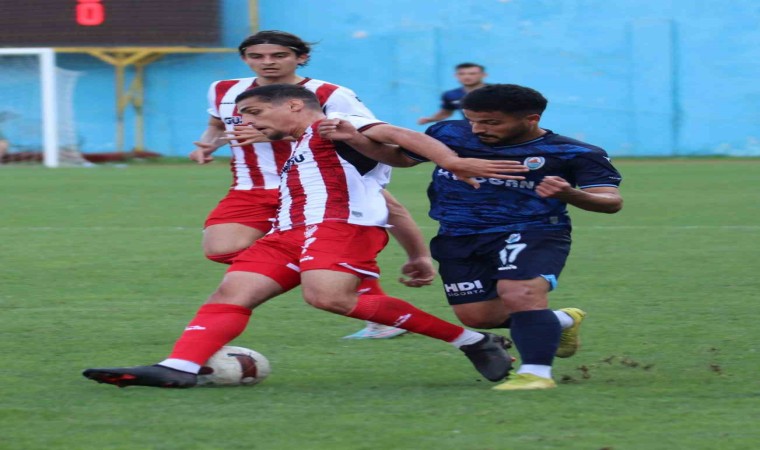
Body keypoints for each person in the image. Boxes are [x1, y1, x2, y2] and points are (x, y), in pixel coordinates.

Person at [81, 84, 531, 388]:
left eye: (255, 112)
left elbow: (397, 134)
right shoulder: (298, 144)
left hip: (340, 227)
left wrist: (451, 161)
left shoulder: (332, 124)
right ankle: (178, 367)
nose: (248, 122)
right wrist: (415, 252)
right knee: (232, 291)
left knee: (328, 298)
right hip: (289, 233)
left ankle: (473, 341)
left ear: (295, 105)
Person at [319, 83, 623, 391]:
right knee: (478, 316)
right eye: (472, 120)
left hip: (532, 229)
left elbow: (611, 201)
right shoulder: (449, 133)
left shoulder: (574, 153)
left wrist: (570, 194)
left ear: (531, 119)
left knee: (519, 293)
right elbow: (400, 158)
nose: (478, 129)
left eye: (491, 122)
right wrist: (355, 138)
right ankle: (559, 321)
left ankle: (535, 374)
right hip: (458, 235)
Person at [189, 30, 416, 339]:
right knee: (220, 249)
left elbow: (360, 135)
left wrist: (277, 134)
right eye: (256, 56)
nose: (267, 62)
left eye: (278, 55)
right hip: (251, 185)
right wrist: (207, 144)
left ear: (301, 57)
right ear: (244, 59)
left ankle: (355, 287)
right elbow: (217, 124)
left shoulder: (330, 93)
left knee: (390, 213)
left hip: (318, 183)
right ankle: (328, 267)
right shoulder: (223, 89)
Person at [417, 63, 488, 125]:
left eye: (472, 74)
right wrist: (430, 119)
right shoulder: (451, 95)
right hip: (471, 129)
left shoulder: (493, 92)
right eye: (462, 74)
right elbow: (446, 112)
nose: (466, 77)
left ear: (484, 75)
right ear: (456, 75)